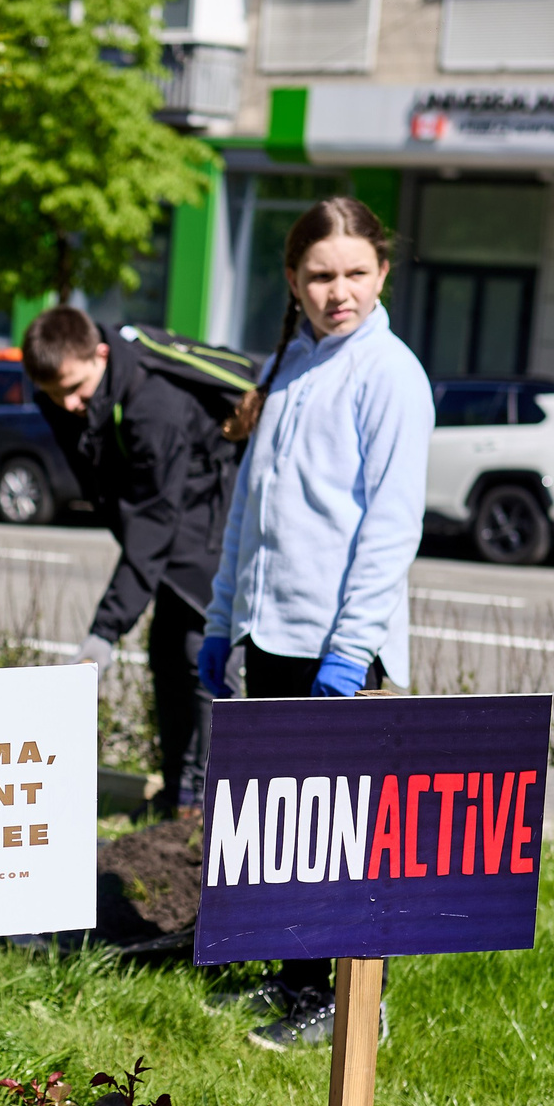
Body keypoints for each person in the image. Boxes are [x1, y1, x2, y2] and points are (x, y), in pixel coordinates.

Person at [201, 195, 431, 1045]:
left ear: (383, 272)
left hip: (337, 647)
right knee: (281, 822)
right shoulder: (294, 365)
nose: (341, 292)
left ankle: (350, 1000)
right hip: (272, 634)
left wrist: (352, 649)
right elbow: (251, 513)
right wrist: (223, 619)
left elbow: (390, 526)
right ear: (295, 282)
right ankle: (292, 980)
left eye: (357, 274)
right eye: (322, 276)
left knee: (341, 831)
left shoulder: (389, 374)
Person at [22, 305, 231, 817]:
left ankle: (201, 804)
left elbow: (152, 522)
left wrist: (106, 629)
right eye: (53, 394)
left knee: (197, 651)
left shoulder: (154, 408)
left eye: (75, 388)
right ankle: (177, 792)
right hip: (170, 515)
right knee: (166, 652)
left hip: (209, 516)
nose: (67, 404)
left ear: (100, 354)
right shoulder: (70, 396)